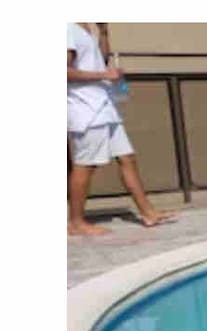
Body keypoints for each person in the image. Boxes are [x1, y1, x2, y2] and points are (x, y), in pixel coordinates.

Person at [67, 22, 174, 236]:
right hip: (86, 110)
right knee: (85, 166)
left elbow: (99, 61)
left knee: (127, 158)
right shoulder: (66, 27)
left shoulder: (88, 28)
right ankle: (76, 222)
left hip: (105, 106)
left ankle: (148, 212)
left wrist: (104, 33)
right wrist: (104, 76)